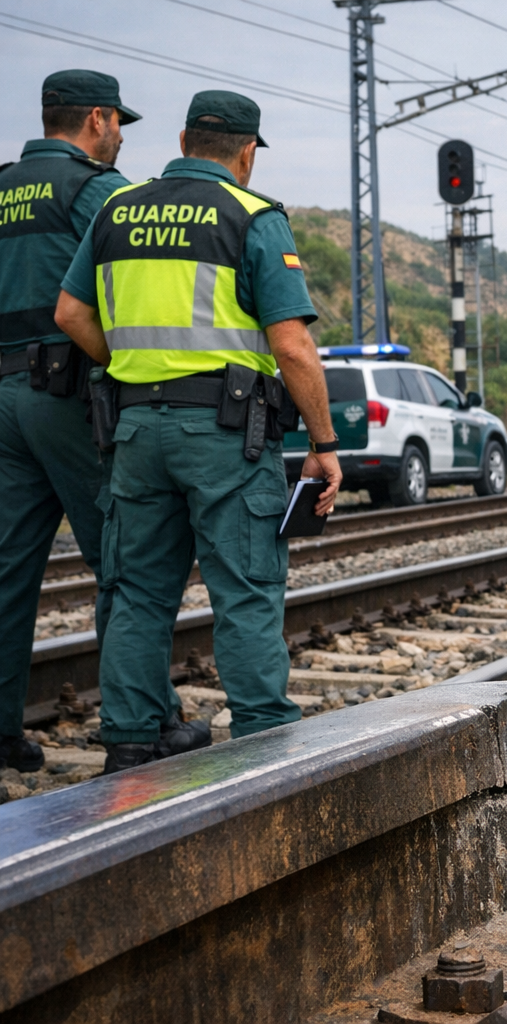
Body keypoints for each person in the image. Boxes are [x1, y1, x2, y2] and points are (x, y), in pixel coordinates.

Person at [55, 90, 342, 773]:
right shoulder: (253, 216)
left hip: (134, 431)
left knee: (137, 590)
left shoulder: (118, 209)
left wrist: (131, 368)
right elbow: (293, 346)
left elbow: (70, 313)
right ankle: (264, 741)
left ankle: (130, 741)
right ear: (248, 153)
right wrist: (324, 446)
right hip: (225, 434)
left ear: (183, 140)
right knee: (244, 587)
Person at [0, 70, 140, 772]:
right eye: (118, 124)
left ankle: (2, 735)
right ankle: (135, 728)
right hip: (67, 396)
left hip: (2, 400)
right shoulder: (97, 191)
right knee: (123, 558)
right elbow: (132, 285)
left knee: (6, 570)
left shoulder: (2, 187)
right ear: (95, 119)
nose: (120, 138)